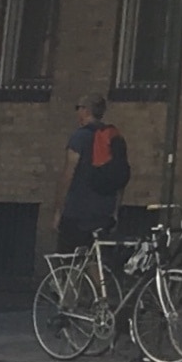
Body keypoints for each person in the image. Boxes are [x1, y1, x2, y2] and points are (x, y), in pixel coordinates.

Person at [55, 96, 131, 251]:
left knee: (68, 260)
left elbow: (68, 174)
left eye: (78, 108)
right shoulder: (114, 137)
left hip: (78, 212)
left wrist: (58, 210)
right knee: (93, 256)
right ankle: (101, 276)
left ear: (85, 110)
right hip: (105, 211)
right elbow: (120, 176)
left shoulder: (80, 137)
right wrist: (115, 210)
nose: (77, 112)